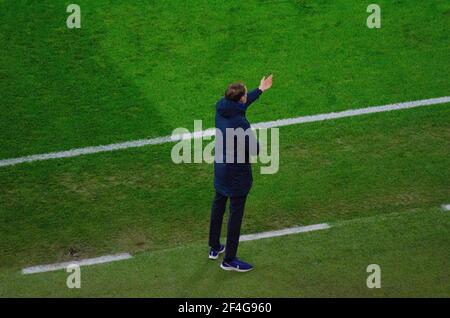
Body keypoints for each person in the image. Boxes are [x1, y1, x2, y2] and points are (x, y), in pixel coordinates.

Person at [208, 75, 273, 272]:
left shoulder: (222, 108)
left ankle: (214, 247)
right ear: (241, 99)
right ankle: (229, 260)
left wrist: (259, 90)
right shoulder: (241, 124)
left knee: (218, 204)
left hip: (220, 168)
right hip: (236, 174)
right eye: (246, 94)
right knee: (235, 215)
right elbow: (254, 149)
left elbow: (239, 107)